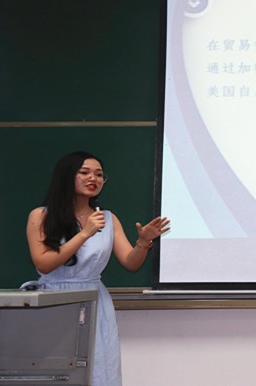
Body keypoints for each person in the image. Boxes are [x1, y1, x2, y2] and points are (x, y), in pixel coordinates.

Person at [24, 151, 170, 386]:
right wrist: (85, 233)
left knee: (99, 368)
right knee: (53, 368)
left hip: (94, 300)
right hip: (53, 300)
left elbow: (131, 263)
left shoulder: (108, 218)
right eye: (84, 172)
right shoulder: (40, 215)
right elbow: (44, 263)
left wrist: (143, 242)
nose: (94, 178)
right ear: (66, 176)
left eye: (99, 175)